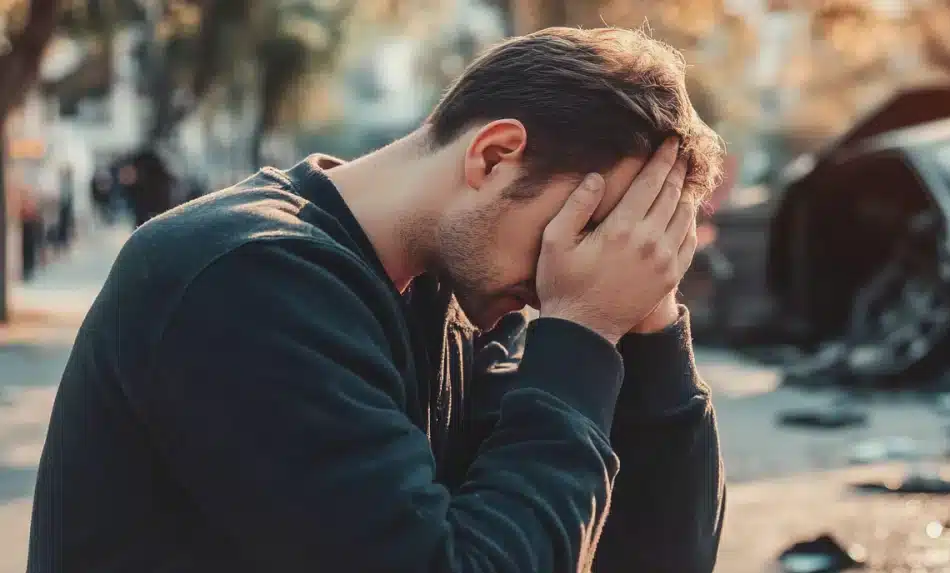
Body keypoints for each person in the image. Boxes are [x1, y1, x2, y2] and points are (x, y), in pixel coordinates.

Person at [29, 27, 727, 573]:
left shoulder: (454, 303)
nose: (569, 274)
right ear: (492, 155)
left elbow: (652, 554)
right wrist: (582, 329)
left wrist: (651, 319)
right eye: (585, 231)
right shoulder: (246, 277)